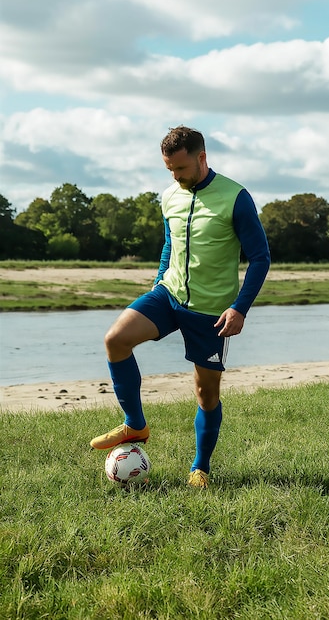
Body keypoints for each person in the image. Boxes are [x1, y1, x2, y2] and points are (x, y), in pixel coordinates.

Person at [90, 125, 270, 488]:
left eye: (181, 169)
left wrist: (239, 308)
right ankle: (135, 425)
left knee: (206, 393)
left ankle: (199, 468)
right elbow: (170, 245)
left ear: (202, 158)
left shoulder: (236, 197)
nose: (175, 176)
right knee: (116, 339)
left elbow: (261, 258)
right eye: (169, 169)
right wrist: (159, 279)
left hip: (212, 312)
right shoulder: (169, 196)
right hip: (168, 296)